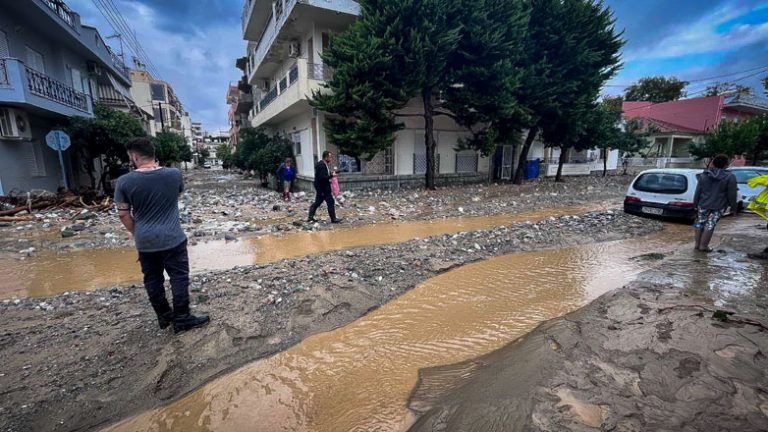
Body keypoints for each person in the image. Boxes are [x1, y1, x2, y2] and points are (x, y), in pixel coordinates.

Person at [115, 138, 210, 333]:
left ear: (134, 157)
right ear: (153, 154)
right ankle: (182, 318)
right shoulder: (174, 174)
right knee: (179, 277)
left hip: (145, 240)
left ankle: (164, 315)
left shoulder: (124, 181)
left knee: (152, 279)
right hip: (173, 237)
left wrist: (137, 232)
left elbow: (123, 214)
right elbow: (175, 197)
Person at [692, 154, 737, 253]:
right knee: (710, 224)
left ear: (713, 163)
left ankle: (697, 245)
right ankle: (703, 246)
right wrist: (733, 208)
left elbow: (698, 191)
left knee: (700, 223)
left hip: (702, 204)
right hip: (719, 206)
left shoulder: (704, 175)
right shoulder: (730, 177)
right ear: (726, 164)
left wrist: (695, 204)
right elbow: (732, 194)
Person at [308, 150, 342, 223]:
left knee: (318, 202)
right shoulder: (321, 165)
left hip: (323, 187)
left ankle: (310, 217)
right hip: (323, 188)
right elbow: (322, 177)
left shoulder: (324, 164)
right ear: (326, 157)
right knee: (330, 201)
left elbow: (325, 174)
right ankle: (333, 219)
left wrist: (332, 173)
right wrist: (332, 176)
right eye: (330, 157)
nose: (331, 159)